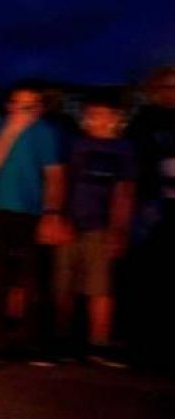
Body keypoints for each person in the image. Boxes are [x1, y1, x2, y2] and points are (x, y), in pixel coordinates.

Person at [0, 80, 67, 364]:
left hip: (32, 213)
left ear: (39, 109)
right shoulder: (0, 127)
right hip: (0, 211)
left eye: (29, 106)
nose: (22, 110)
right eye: (17, 104)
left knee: (33, 279)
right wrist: (11, 130)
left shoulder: (46, 133)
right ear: (10, 105)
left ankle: (32, 341)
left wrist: (52, 213)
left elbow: (55, 175)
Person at [54, 91, 136, 367]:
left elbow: (125, 190)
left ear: (116, 119)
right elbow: (63, 181)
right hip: (71, 223)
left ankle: (98, 344)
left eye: (104, 115)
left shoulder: (124, 149)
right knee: (64, 285)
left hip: (101, 226)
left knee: (100, 288)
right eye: (92, 114)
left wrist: (118, 230)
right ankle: (62, 341)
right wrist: (59, 217)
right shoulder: (75, 144)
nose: (97, 120)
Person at [125, 65, 175, 369]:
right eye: (166, 87)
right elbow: (134, 164)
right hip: (151, 208)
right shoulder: (144, 122)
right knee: (148, 276)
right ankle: (144, 347)